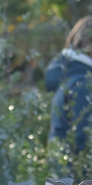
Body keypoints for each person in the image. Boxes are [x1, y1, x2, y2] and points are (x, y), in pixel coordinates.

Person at [46, 17, 92, 154]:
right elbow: (84, 140)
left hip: (63, 171)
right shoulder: (83, 83)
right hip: (76, 173)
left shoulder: (72, 76)